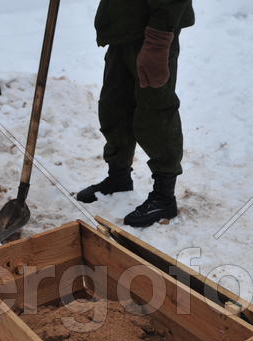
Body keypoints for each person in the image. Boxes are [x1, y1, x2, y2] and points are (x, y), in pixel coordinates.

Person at [75, 0, 194, 227]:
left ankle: (164, 196)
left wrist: (158, 42)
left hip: (154, 29)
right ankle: (118, 176)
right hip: (122, 26)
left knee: (155, 113)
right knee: (114, 106)